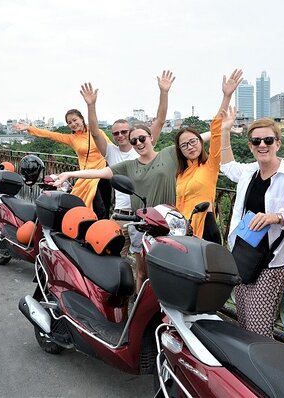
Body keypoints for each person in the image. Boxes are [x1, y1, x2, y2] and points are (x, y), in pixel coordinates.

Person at [50, 123, 180, 293]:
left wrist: (222, 127)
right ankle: (135, 310)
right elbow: (99, 173)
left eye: (142, 138)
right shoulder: (130, 165)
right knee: (142, 273)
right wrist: (69, 174)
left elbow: (194, 141)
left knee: (169, 271)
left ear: (151, 138)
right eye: (134, 141)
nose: (139, 143)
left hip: (168, 223)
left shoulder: (168, 154)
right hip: (142, 223)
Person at [219, 108, 284, 338]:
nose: (262, 145)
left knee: (258, 327)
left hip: (271, 260)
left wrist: (278, 217)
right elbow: (226, 165)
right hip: (244, 254)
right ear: (250, 145)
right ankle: (245, 368)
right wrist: (225, 130)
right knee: (243, 316)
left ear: (277, 143)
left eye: (268, 140)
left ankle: (260, 368)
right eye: (256, 141)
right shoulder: (249, 172)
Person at [81, 70, 174, 256]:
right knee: (117, 258)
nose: (121, 136)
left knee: (147, 262)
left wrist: (164, 93)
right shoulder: (110, 152)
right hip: (122, 213)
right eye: (116, 133)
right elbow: (95, 132)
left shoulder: (142, 145)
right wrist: (91, 105)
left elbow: (160, 121)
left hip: (148, 214)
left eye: (124, 132)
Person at [174, 69, 244, 243]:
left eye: (193, 141)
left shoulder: (210, 165)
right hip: (182, 227)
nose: (190, 147)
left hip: (204, 225)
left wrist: (226, 96)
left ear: (200, 141)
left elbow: (215, 131)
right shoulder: (181, 173)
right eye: (184, 145)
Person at [15, 108, 111, 219]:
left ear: (82, 118)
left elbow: (111, 149)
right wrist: (29, 128)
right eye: (69, 123)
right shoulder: (72, 138)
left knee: (105, 208)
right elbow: (51, 135)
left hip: (103, 175)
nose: (73, 124)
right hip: (87, 178)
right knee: (98, 210)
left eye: (75, 120)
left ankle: (105, 233)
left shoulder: (97, 133)